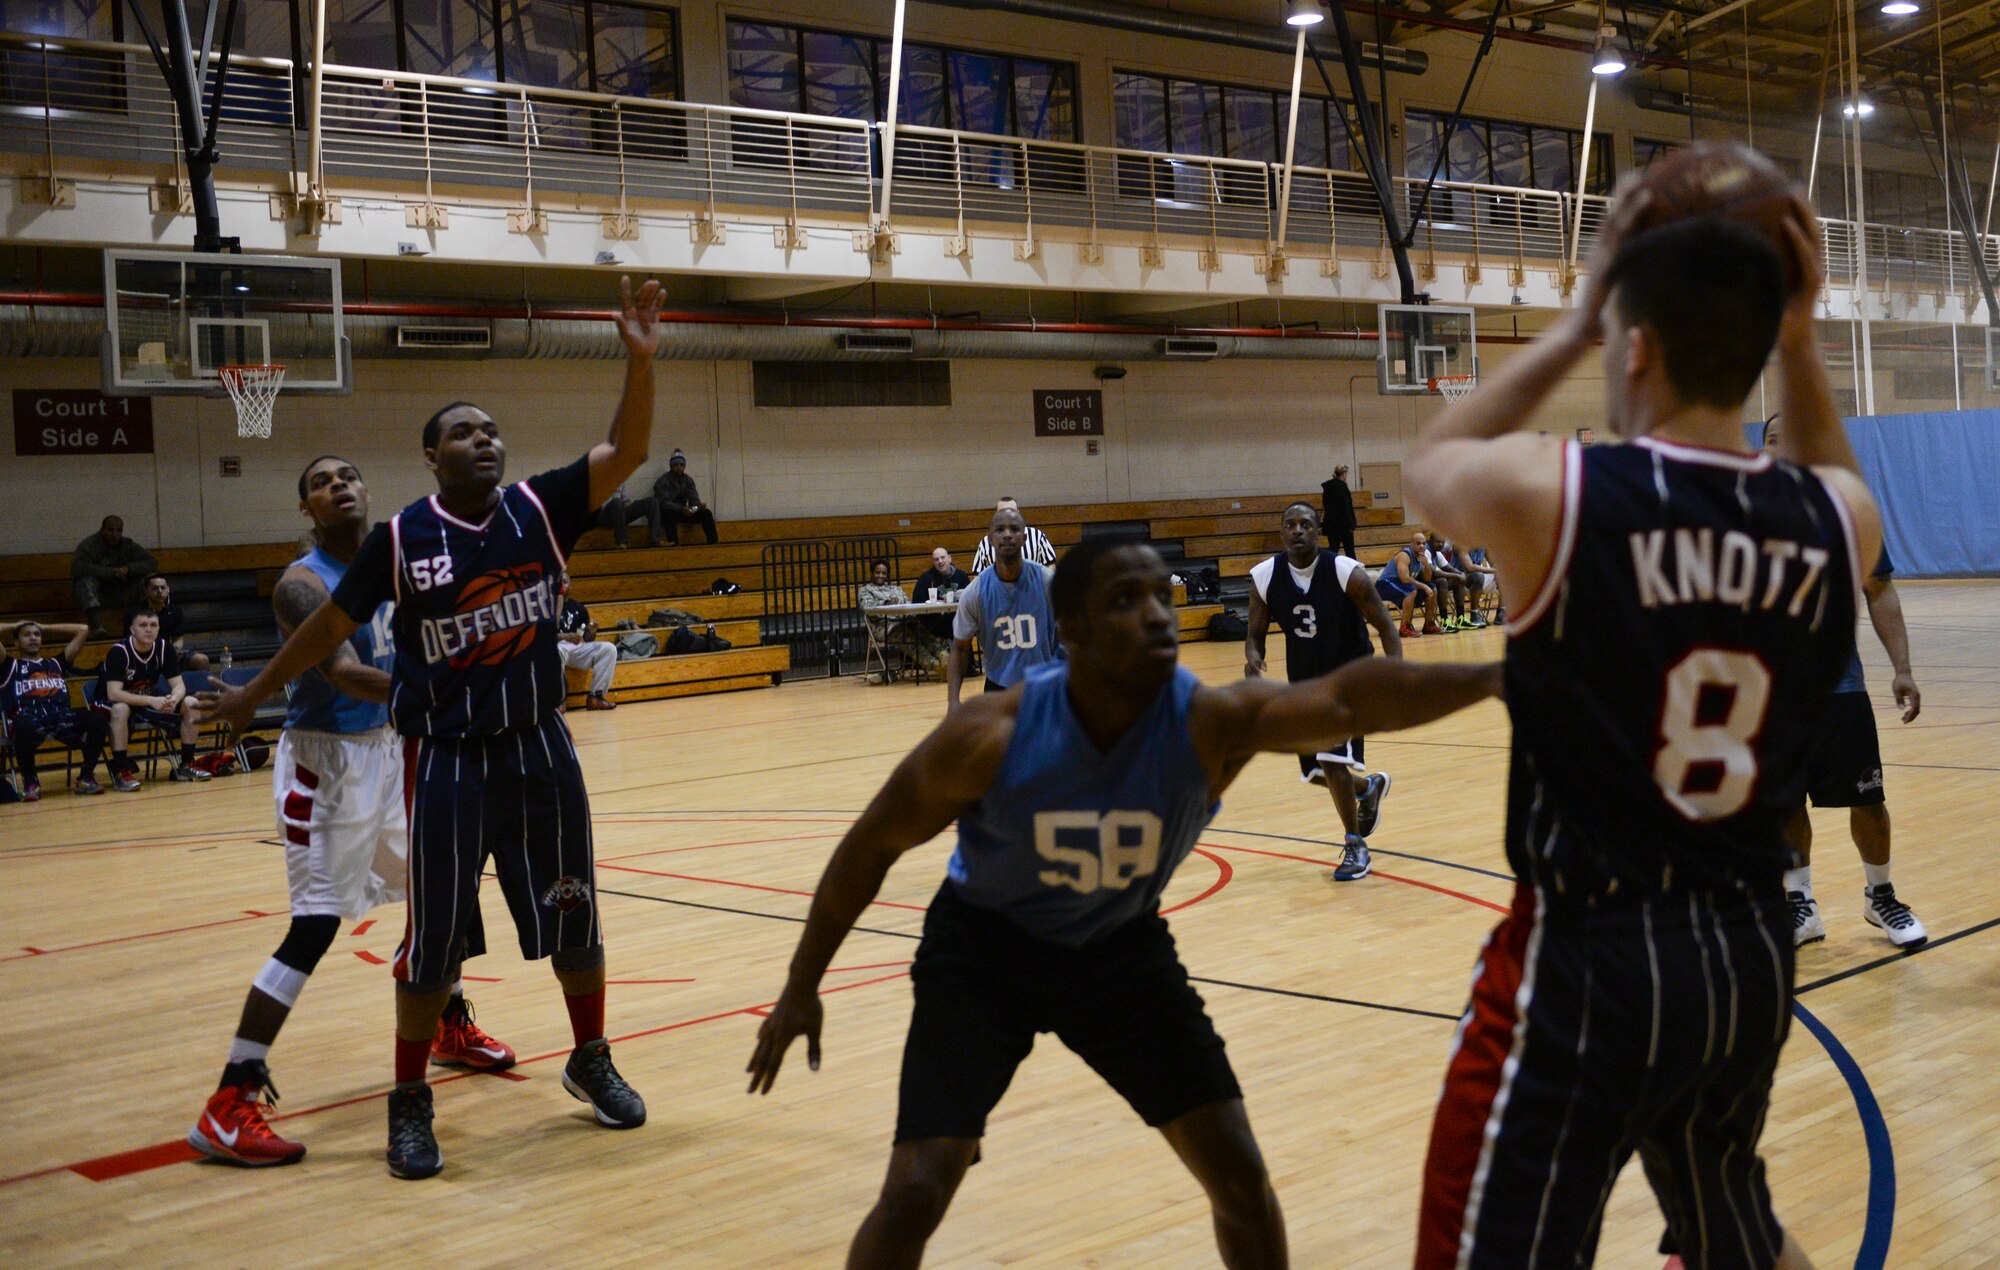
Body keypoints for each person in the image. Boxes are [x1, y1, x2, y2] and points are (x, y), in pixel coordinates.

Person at [745, 536, 1502, 1269]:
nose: (1158, 614)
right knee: (915, 1192)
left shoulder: (1208, 721)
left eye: (1161, 596)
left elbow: (1345, 700)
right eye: (1125, 599)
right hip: (982, 956)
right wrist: (800, 985)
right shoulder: (990, 734)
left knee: (1239, 1176)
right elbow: (868, 846)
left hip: (1119, 951)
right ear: (1070, 630)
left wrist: (1499, 676)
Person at [1402, 180, 1872, 1268]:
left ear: (1635, 349)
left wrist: (1573, 319)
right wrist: (1795, 334)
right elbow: (1827, 467)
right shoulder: (1832, 516)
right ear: (1760, 346)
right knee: (1728, 1228)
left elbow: (1425, 468)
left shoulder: (1558, 493)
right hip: (1747, 950)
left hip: (1589, 959)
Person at [203, 276, 667, 1180]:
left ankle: (590, 1056)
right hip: (446, 758)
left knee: (575, 914)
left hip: (541, 744)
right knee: (434, 941)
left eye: (490, 429)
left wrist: (638, 359)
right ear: (432, 455)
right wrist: (250, 692)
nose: (484, 439)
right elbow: (328, 635)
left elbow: (629, 447)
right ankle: (409, 1101)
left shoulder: (542, 508)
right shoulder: (402, 539)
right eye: (463, 431)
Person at [188, 455, 515, 1168]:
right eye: (319, 482)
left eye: (348, 476)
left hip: (396, 747)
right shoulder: (301, 585)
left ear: (369, 491)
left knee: (442, 897)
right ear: (306, 508)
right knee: (312, 929)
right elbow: (341, 673)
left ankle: (448, 1023)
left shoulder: (400, 559)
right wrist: (448, 688)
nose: (337, 485)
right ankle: (229, 1101)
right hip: (326, 764)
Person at [1761, 420, 1927, 950]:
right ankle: (1800, 905)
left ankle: (1880, 898)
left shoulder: (1850, 516)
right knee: (1786, 802)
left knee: (1868, 798)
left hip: (1840, 686)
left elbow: (1879, 592)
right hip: (1769, 693)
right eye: (1771, 438)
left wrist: (1901, 668)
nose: (1783, 444)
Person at [1243, 502, 1399, 881]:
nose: (1297, 530)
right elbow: (1254, 636)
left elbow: (1385, 625)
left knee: (1331, 759)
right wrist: (1253, 664)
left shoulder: (1347, 573)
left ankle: (1355, 845)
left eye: (1306, 524)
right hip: (1305, 682)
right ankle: (1368, 786)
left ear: (1318, 531)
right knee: (1317, 771)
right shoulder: (1265, 576)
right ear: (1281, 532)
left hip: (1350, 678)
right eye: (1290, 525)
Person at [948, 508, 1060, 708]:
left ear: (1024, 538)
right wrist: (953, 701)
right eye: (1000, 529)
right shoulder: (976, 591)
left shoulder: (1047, 582)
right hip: (998, 687)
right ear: (990, 539)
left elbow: (1073, 635)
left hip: (1044, 685)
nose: (1007, 535)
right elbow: (959, 649)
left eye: (1014, 529)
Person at [95, 607, 206, 789]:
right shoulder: (119, 651)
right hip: (109, 703)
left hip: (145, 700)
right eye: (143, 625)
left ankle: (186, 763)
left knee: (191, 703)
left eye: (153, 625)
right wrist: (151, 701)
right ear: (132, 629)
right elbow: (113, 693)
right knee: (121, 708)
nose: (149, 629)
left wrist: (174, 699)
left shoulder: (164, 648)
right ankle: (121, 771)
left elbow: (179, 686)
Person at [2, 619, 109, 797]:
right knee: (23, 725)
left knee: (97, 719)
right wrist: (17, 624)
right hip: (29, 716)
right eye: (26, 635)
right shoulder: (10, 665)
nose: (33, 638)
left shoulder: (57, 663)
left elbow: (83, 629)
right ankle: (30, 781)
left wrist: (45, 627)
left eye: (37, 634)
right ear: (16, 642)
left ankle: (86, 776)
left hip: (61, 715)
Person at [71, 515, 157, 637]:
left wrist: (129, 569)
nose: (115, 534)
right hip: (99, 594)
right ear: (102, 530)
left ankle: (148, 620)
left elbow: (152, 563)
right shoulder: (89, 545)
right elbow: (78, 568)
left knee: (151, 579)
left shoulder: (127, 544)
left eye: (119, 530)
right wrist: (110, 572)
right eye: (110, 530)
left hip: (122, 591)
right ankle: (96, 626)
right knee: (85, 582)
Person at [557, 573, 619, 711]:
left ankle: (596, 697)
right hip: (556, 647)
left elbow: (587, 639)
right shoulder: (548, 607)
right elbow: (543, 637)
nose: (562, 585)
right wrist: (564, 636)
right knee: (557, 650)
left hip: (577, 648)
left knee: (609, 649)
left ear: (571, 585)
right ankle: (559, 700)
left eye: (565, 582)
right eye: (559, 582)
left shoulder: (579, 608)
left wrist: (591, 632)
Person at [127, 574, 211, 671]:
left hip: (168, 652)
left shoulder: (175, 611)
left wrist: (172, 652)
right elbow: (131, 640)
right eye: (155, 588)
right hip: (142, 653)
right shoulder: (134, 612)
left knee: (200, 660)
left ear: (168, 590)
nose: (160, 591)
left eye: (163, 587)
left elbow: (178, 639)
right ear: (146, 591)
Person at [1374, 533, 1442, 639]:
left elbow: (1427, 579)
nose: (1422, 546)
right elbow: (1404, 578)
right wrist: (1424, 587)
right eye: (1418, 543)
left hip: (1401, 585)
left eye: (1424, 543)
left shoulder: (1421, 557)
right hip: (1385, 584)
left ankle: (1429, 624)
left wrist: (1426, 565)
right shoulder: (1405, 555)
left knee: (1432, 587)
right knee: (1412, 590)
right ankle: (1405, 628)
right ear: (1411, 544)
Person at [970, 497, 1056, 572]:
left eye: (1012, 511)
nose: (1008, 515)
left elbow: (1050, 564)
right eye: (1003, 512)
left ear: (1018, 512)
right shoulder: (986, 542)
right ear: (996, 514)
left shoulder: (1037, 535)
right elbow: (978, 575)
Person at [909, 546, 972, 644]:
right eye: (936, 559)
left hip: (959, 623)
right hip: (935, 625)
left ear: (949, 558)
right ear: (933, 563)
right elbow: (917, 606)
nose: (940, 561)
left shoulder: (962, 576)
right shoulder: (925, 579)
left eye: (943, 557)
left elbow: (971, 600)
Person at [1426, 534, 1479, 630]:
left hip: (1431, 584)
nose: (1441, 544)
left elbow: (1449, 568)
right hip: (1421, 584)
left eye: (1443, 542)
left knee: (1457, 580)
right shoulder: (1426, 550)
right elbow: (1433, 573)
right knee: (1442, 581)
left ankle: (1460, 618)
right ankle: (1444, 619)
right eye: (1438, 542)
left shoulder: (1437, 553)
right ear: (1430, 541)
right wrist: (1456, 575)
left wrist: (1460, 574)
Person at [1454, 544, 1504, 625]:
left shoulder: (1484, 544)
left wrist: (1499, 570)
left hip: (1477, 579)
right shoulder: (1461, 544)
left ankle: (1501, 612)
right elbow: (1470, 567)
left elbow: (1494, 562)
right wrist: (1495, 570)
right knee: (1478, 576)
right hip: (1459, 581)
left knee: (1503, 575)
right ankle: (1474, 614)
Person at [1320, 464, 1359, 559]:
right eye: (1346, 473)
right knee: (1350, 552)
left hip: (1331, 525)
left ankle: (1329, 570)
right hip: (1344, 525)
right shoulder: (1343, 488)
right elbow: (1346, 507)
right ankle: (1352, 572)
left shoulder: (1328, 488)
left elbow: (1326, 505)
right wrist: (1351, 524)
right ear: (1344, 473)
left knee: (1333, 550)